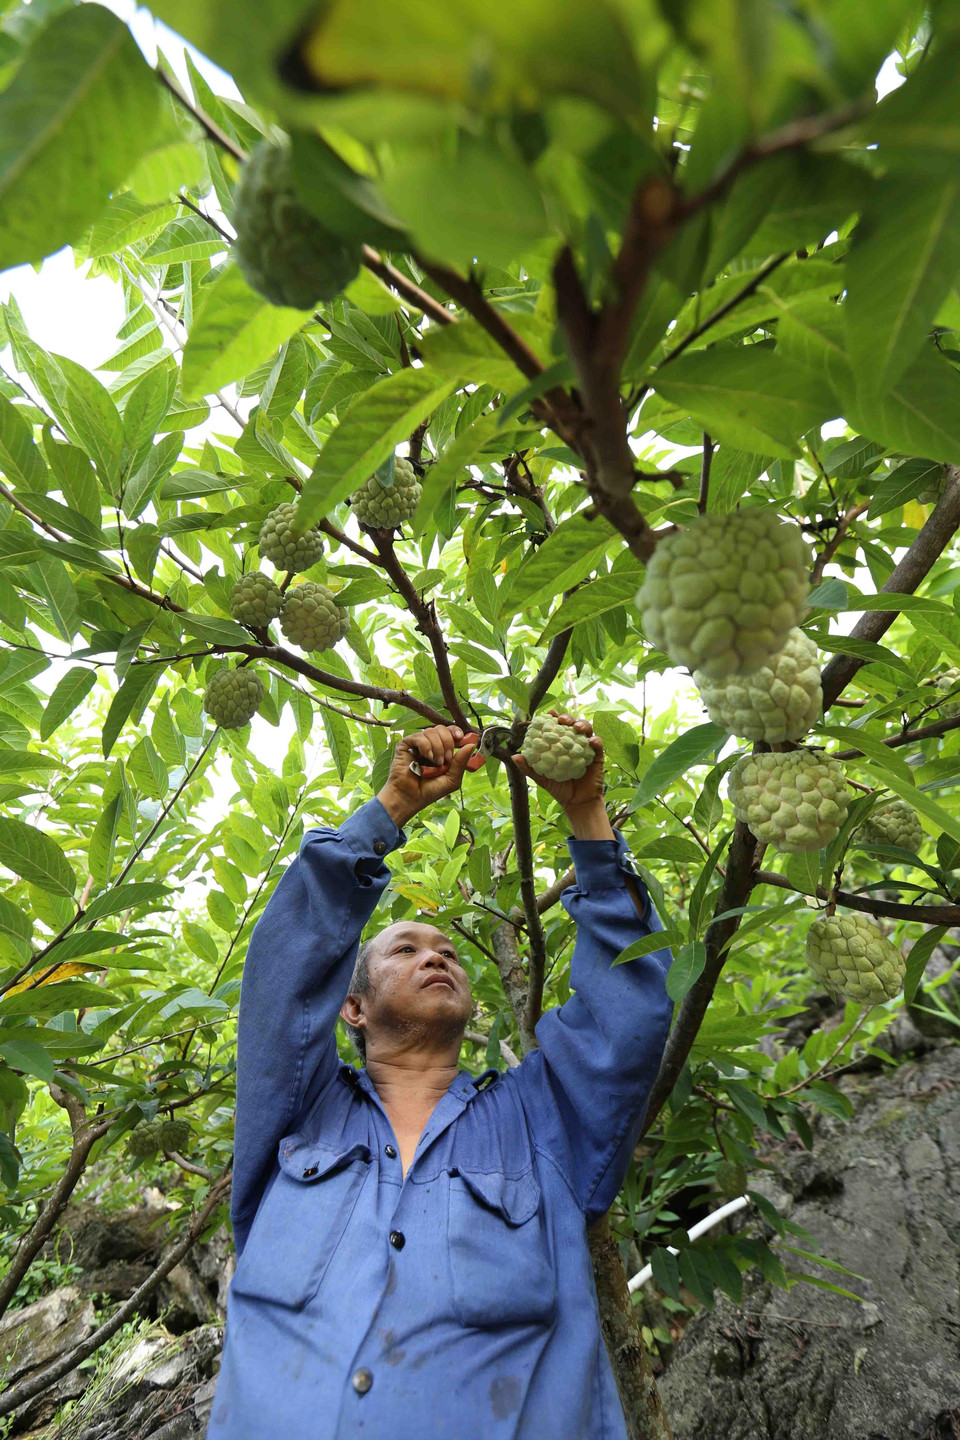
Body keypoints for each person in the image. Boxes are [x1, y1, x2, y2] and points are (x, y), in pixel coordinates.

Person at [206, 714, 674, 1439]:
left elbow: (631, 1015)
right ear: (352, 1008)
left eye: (449, 952)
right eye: (405, 949)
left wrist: (587, 814)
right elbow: (283, 971)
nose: (436, 956)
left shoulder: (543, 1121)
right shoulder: (297, 1118)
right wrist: (392, 808)